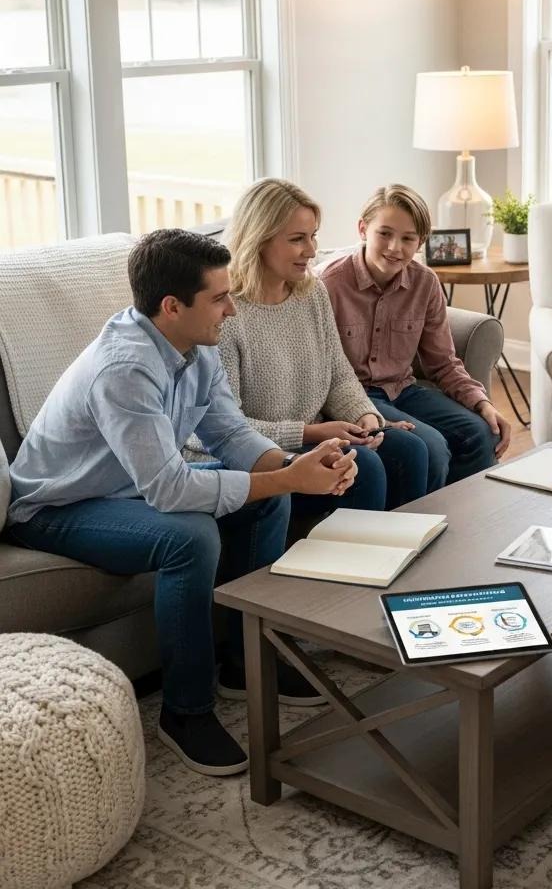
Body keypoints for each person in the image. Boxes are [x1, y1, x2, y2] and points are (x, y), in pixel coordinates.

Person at [6, 230, 358, 778]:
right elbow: (170, 491)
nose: (233, 310)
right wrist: (290, 480)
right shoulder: (124, 368)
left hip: (130, 489)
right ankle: (185, 711)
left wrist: (298, 468)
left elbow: (231, 437)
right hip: (56, 507)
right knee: (190, 535)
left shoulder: (194, 349)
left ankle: (245, 663)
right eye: (219, 298)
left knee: (266, 503)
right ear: (172, 306)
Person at [220, 178, 429, 514]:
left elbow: (339, 375)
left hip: (316, 434)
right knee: (367, 468)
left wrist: (366, 417)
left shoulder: (311, 292)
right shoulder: (225, 312)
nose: (312, 250)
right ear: (259, 238)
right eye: (298, 239)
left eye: (313, 236)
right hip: (263, 448)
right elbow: (223, 426)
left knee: (410, 450)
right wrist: (313, 432)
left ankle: (405, 554)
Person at [321, 184, 511, 490]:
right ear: (362, 229)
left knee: (482, 431)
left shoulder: (425, 283)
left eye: (408, 238)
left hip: (403, 389)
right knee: (432, 447)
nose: (395, 247)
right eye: (385, 233)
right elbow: (322, 376)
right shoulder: (328, 285)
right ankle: (418, 529)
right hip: (354, 396)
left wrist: (483, 403)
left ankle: (463, 521)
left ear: (421, 242)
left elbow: (444, 363)